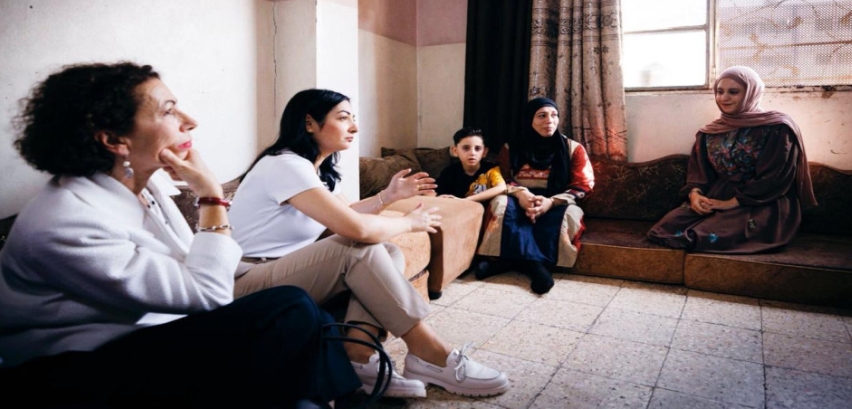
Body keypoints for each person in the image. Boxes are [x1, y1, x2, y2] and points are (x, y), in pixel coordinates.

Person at [0, 63, 359, 407]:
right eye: (169, 111)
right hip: (57, 369)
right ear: (113, 140)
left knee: (313, 318)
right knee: (289, 308)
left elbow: (192, 266)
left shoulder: (145, 186)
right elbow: (207, 294)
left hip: (131, 340)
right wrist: (210, 196)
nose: (189, 120)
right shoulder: (68, 219)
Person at [227, 89, 510, 399]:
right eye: (343, 118)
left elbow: (345, 214)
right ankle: (429, 352)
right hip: (245, 281)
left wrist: (387, 197)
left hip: (280, 270)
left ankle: (359, 357)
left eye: (353, 118)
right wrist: (409, 222)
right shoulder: (284, 164)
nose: (354, 127)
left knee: (388, 250)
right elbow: (356, 228)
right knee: (356, 249)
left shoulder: (315, 172)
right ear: (309, 123)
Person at [647, 65, 816, 253]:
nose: (723, 98)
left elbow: (775, 178)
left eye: (733, 92)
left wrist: (730, 203)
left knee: (702, 236)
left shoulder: (777, 128)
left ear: (751, 93)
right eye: (719, 91)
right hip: (716, 196)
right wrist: (695, 195)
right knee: (666, 228)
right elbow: (699, 172)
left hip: (762, 201)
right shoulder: (709, 132)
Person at [475, 97, 594, 295]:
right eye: (542, 116)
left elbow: (583, 184)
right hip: (518, 197)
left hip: (557, 199)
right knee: (501, 205)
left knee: (568, 215)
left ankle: (516, 263)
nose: (550, 120)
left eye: (554, 115)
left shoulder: (573, 148)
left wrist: (550, 202)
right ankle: (530, 265)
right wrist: (521, 194)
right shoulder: (511, 148)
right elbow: (501, 178)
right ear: (529, 119)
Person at [436, 127, 507, 203]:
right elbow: (437, 194)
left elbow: (501, 187)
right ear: (455, 151)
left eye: (477, 148)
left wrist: (465, 200)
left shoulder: (491, 169)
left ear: (484, 152)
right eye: (466, 148)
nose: (472, 153)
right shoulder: (449, 172)